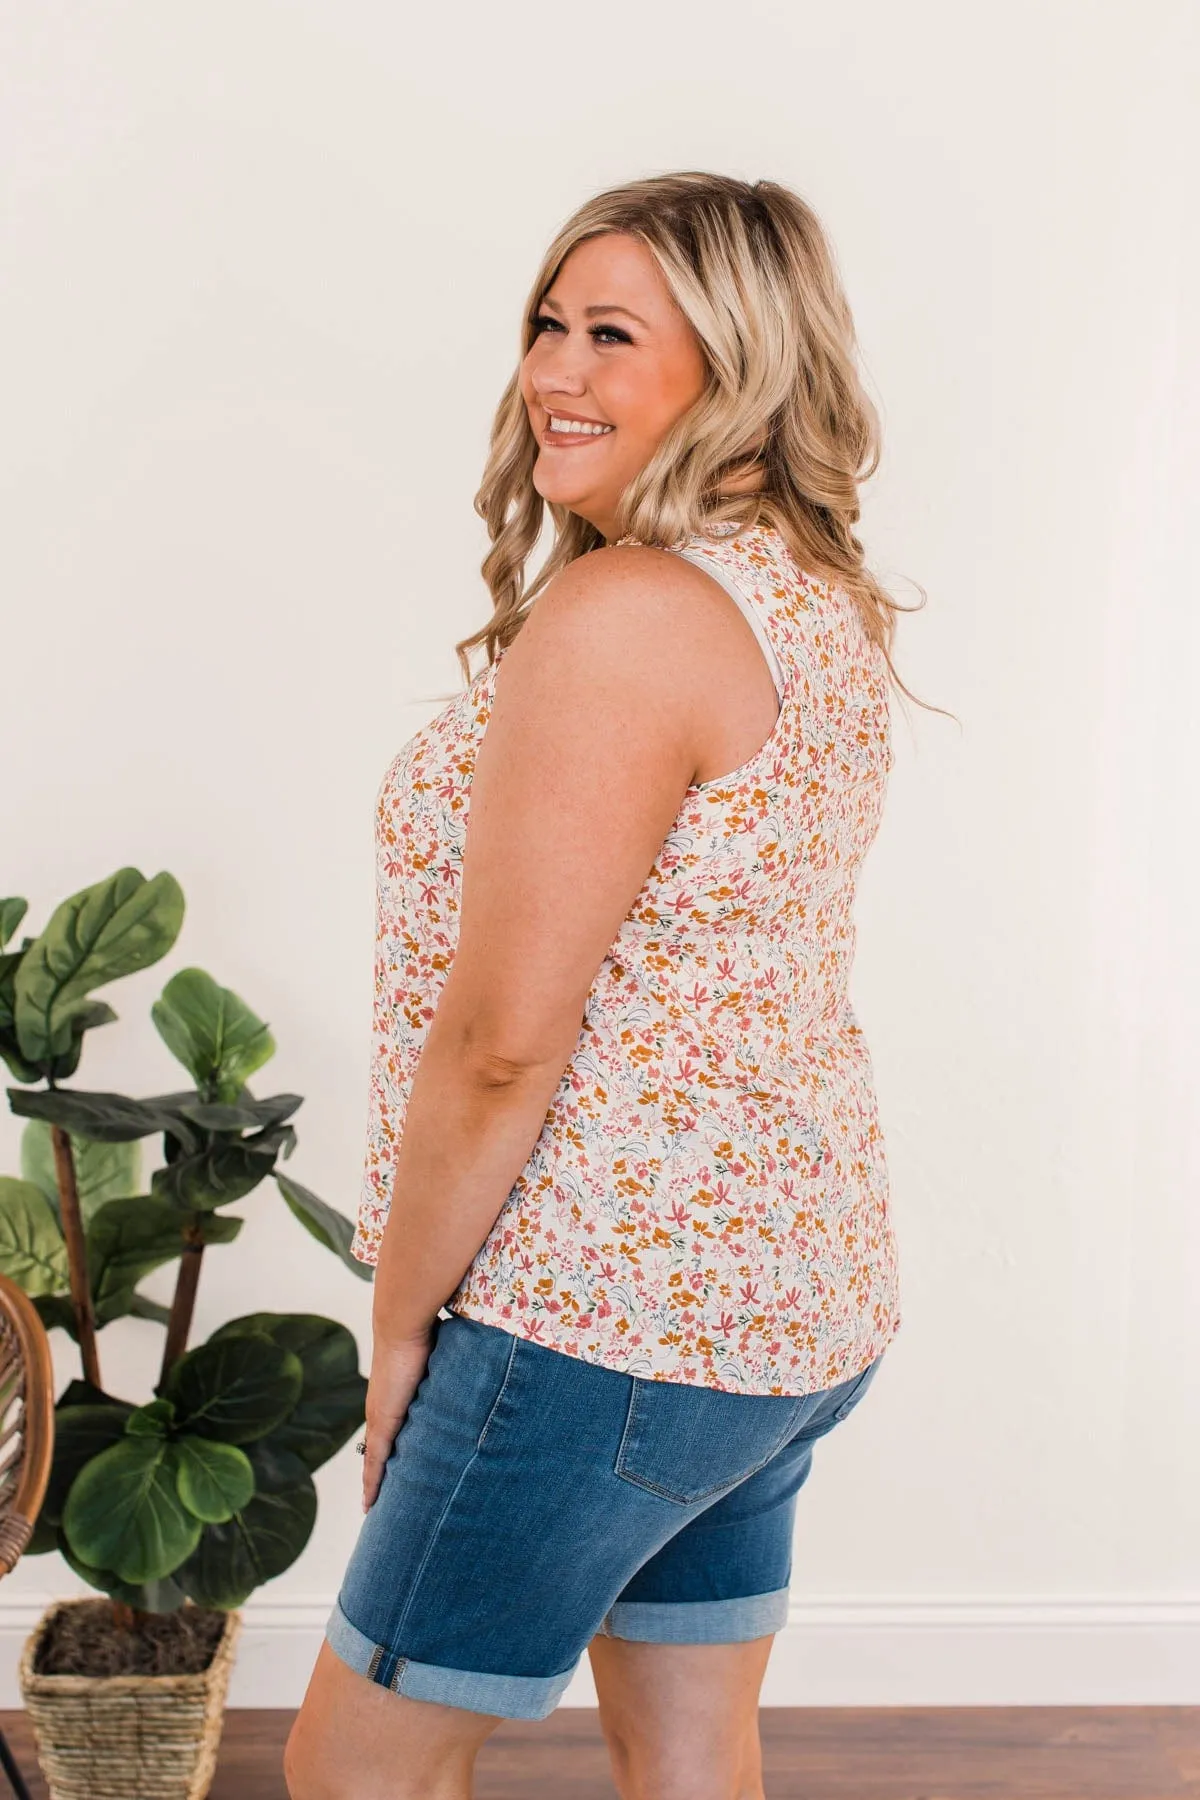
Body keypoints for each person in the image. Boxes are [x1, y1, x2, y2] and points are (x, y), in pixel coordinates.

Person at [285, 170, 939, 1800]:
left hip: (598, 1316)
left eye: (614, 336)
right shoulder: (805, 597)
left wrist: (397, 1319)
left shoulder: (630, 614)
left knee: (354, 1773)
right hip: (787, 1303)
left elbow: (505, 1044)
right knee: (695, 1758)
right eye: (547, 325)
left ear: (737, 367)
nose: (555, 373)